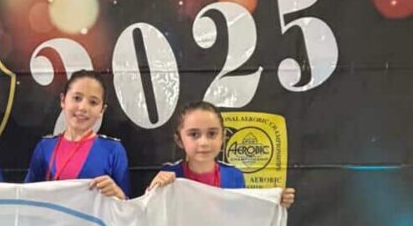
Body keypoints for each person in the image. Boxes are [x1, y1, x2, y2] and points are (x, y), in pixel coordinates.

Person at [148, 101, 296, 208]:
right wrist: (153, 190)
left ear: (223, 137)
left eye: (212, 133)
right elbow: (151, 213)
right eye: (194, 134)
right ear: (179, 140)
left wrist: (275, 201)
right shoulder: (169, 175)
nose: (204, 142)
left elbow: (245, 213)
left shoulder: (234, 176)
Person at [25, 70, 130, 199]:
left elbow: (126, 205)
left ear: (102, 110)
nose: (83, 108)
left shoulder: (113, 150)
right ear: (63, 100)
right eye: (76, 98)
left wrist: (118, 194)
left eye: (93, 102)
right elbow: (26, 198)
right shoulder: (45, 147)